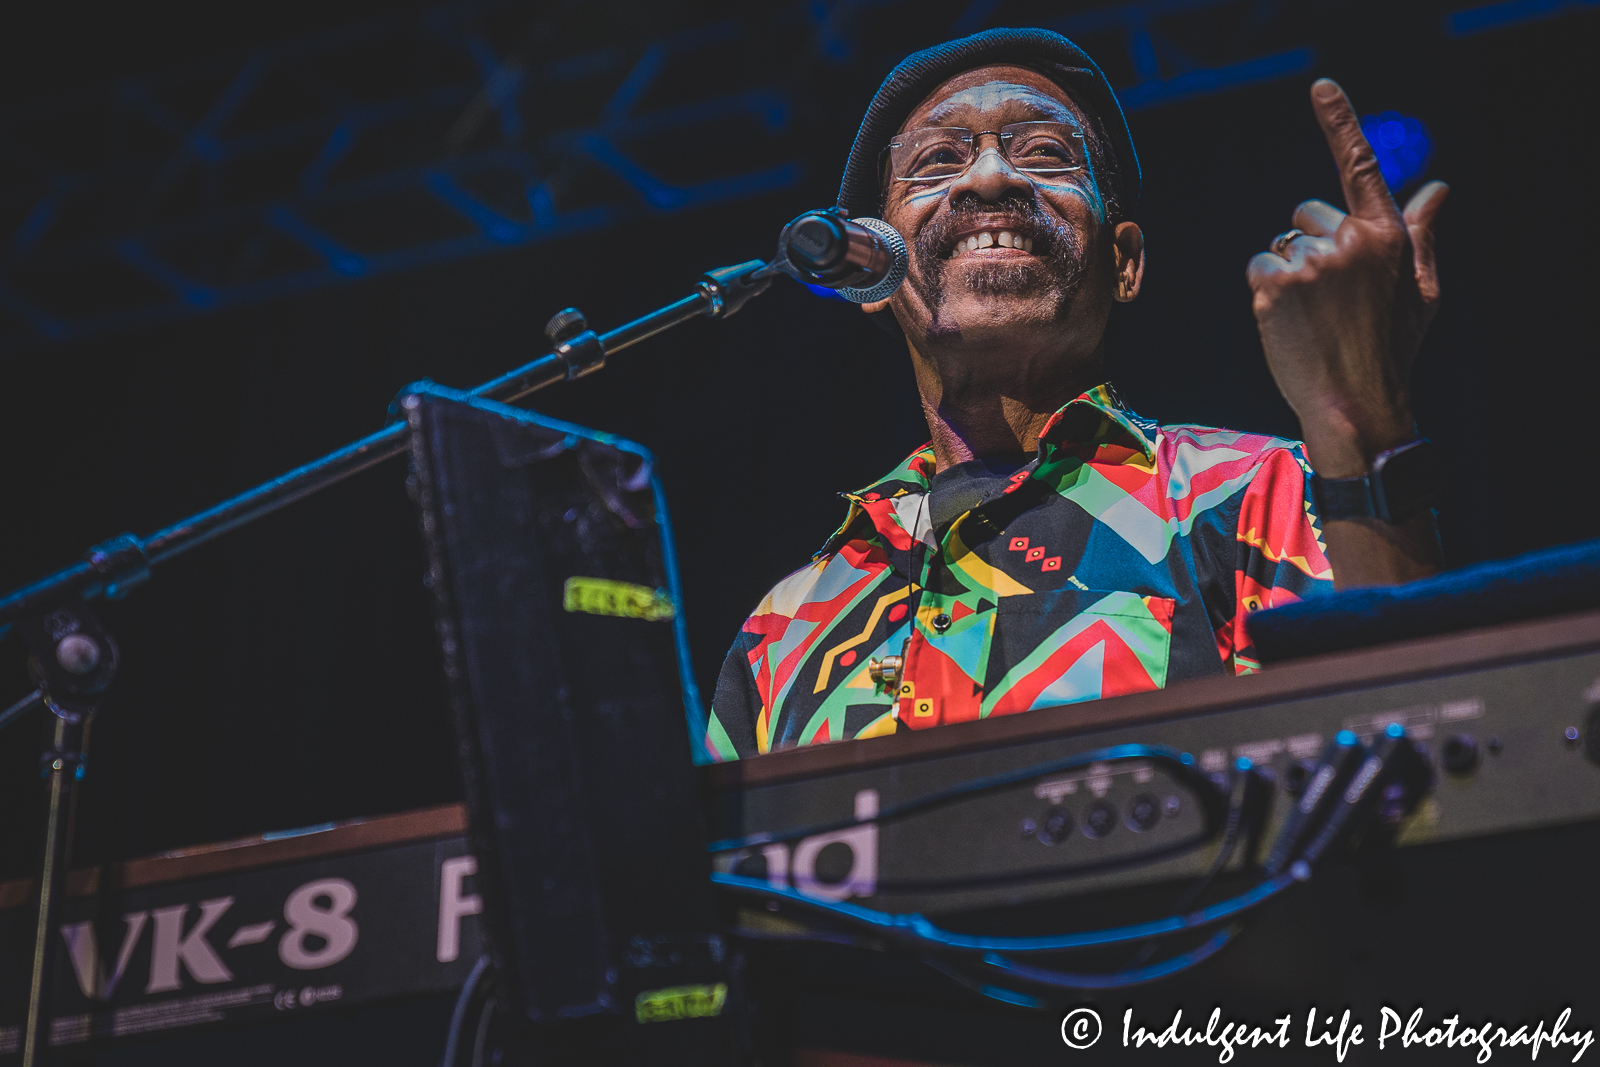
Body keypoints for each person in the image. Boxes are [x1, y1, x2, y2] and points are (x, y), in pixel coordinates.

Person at [705, 28, 1446, 762]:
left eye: (1045, 153)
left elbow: (1412, 755)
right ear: (870, 275)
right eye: (937, 160)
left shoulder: (1251, 496)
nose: (990, 178)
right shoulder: (788, 623)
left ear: (1123, 263)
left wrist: (1359, 421)